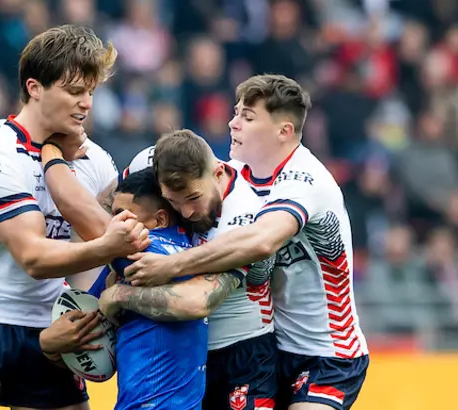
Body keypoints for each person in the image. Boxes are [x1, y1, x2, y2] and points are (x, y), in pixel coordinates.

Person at [0, 25, 149, 410]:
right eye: (74, 91)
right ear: (35, 87)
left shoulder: (96, 161)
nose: (86, 103)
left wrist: (92, 306)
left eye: (90, 92)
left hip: (50, 324)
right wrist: (109, 244)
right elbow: (35, 258)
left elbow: (113, 245)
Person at [124, 75, 369, 410]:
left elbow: (261, 240)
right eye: (236, 112)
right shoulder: (236, 173)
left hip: (326, 353)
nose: (232, 123)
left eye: (247, 117)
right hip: (271, 346)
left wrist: (170, 265)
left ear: (283, 131)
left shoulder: (306, 179)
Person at [99, 130, 279, 410]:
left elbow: (199, 301)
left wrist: (119, 295)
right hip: (187, 359)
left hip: (242, 353)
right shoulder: (148, 161)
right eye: (172, 201)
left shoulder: (245, 214)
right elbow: (105, 207)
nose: (185, 213)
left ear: (217, 174)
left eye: (193, 197)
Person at [42, 168, 208, 410]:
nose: (113, 226)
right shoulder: (191, 255)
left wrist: (50, 152)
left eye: (122, 215)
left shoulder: (147, 253)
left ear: (159, 220)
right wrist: (52, 346)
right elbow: (88, 333)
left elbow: (74, 207)